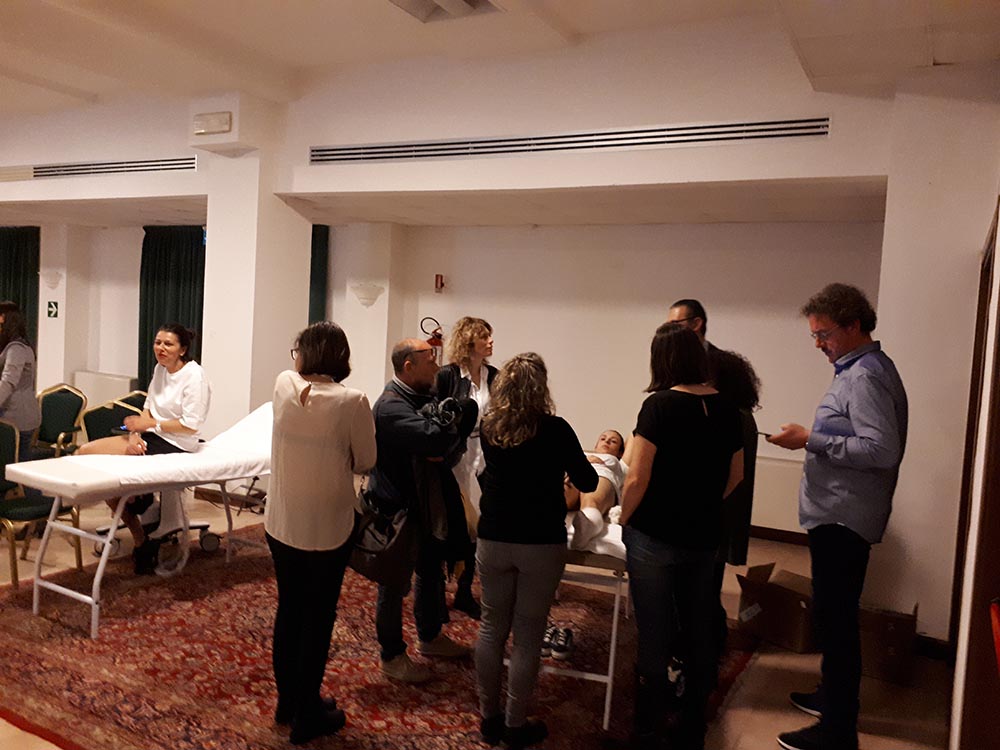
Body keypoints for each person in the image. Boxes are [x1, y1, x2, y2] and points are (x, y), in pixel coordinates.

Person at [768, 283, 907, 750]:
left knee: (838, 621)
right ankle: (831, 697)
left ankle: (837, 730)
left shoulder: (866, 375)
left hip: (844, 519)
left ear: (853, 325)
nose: (818, 344)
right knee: (831, 615)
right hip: (836, 513)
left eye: (824, 334)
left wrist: (810, 439)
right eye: (815, 335)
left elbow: (881, 450)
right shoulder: (857, 369)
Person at [618, 323, 743, 750]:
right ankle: (691, 726)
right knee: (697, 627)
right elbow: (736, 475)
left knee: (655, 633)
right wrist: (703, 502)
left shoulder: (659, 406)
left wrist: (624, 518)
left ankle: (647, 731)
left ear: (662, 360)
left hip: (655, 535)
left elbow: (637, 476)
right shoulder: (728, 408)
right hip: (704, 534)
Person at [475, 353, 598, 749]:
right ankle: (514, 725)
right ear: (540, 388)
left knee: (491, 628)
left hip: (493, 536)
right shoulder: (556, 429)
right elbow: (588, 481)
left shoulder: (490, 426)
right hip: (540, 541)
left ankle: (488, 718)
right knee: (527, 636)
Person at [264, 321, 376, 745]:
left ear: (305, 355)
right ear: (341, 357)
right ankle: (307, 711)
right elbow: (366, 460)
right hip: (328, 525)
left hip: (282, 521)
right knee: (318, 617)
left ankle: (287, 702)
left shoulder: (283, 385)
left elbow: (298, 380)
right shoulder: (353, 401)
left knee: (290, 610)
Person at [369, 339, 477, 684]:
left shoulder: (419, 398)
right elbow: (437, 439)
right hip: (398, 509)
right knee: (393, 583)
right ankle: (391, 656)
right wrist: (443, 436)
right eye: (430, 361)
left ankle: (430, 637)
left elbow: (447, 445)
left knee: (430, 572)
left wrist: (443, 437)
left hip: (425, 504)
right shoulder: (390, 407)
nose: (437, 367)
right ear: (408, 366)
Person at [667, 299, 762, 660]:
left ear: (697, 324)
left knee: (707, 563)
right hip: (705, 473)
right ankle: (703, 633)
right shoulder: (684, 361)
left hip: (718, 472)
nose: (671, 331)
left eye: (676, 324)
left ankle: (705, 640)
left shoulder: (718, 364)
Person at [77, 323, 211, 574]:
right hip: (153, 434)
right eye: (158, 342)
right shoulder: (160, 369)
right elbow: (147, 408)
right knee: (88, 455)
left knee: (91, 457)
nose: (161, 348)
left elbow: (191, 425)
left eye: (168, 344)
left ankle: (140, 521)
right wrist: (135, 434)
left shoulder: (194, 376)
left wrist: (150, 425)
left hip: (177, 442)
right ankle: (141, 518)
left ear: (182, 350)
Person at [435, 316, 498, 619]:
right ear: (468, 341)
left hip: (484, 457)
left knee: (477, 528)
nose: (490, 341)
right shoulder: (447, 376)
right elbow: (436, 418)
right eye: (484, 336)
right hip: (454, 457)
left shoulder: (494, 376)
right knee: (449, 525)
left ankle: (464, 592)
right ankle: (436, 593)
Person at [564, 429, 627, 550]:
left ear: (620, 453)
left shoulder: (619, 465)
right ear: (596, 445)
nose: (607, 441)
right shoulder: (580, 454)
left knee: (591, 498)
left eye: (613, 441)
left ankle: (588, 523)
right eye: (603, 438)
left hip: (602, 475)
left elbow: (635, 437)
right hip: (575, 474)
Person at [0, 305, 42, 464]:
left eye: (1, 324)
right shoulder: (11, 347)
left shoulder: (17, 349)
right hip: (12, 413)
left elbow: (8, 382)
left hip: (18, 416)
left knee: (18, 466)